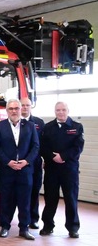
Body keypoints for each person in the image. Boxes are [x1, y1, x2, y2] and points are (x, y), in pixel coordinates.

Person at [0, 99, 39, 241]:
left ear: (21, 110)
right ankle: (5, 227)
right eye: (11, 108)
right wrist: (8, 162)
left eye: (16, 108)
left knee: (25, 200)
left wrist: (26, 161)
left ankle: (24, 229)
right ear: (6, 111)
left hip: (25, 170)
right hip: (7, 170)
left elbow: (35, 146)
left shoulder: (30, 126)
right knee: (6, 200)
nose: (14, 111)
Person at [40, 101, 84, 238]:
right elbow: (42, 146)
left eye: (63, 110)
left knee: (71, 198)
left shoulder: (77, 127)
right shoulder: (48, 127)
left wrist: (63, 156)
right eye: (58, 110)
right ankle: (48, 226)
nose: (61, 112)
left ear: (68, 110)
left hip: (69, 169)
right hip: (52, 169)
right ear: (55, 112)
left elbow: (78, 147)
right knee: (50, 198)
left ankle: (73, 228)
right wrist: (53, 157)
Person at [20, 97, 45, 229]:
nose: (25, 108)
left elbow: (43, 143)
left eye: (27, 105)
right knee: (17, 192)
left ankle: (33, 219)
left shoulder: (39, 123)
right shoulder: (14, 122)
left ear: (31, 107)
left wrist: (44, 159)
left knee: (34, 190)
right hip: (19, 163)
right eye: (22, 105)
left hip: (34, 162)